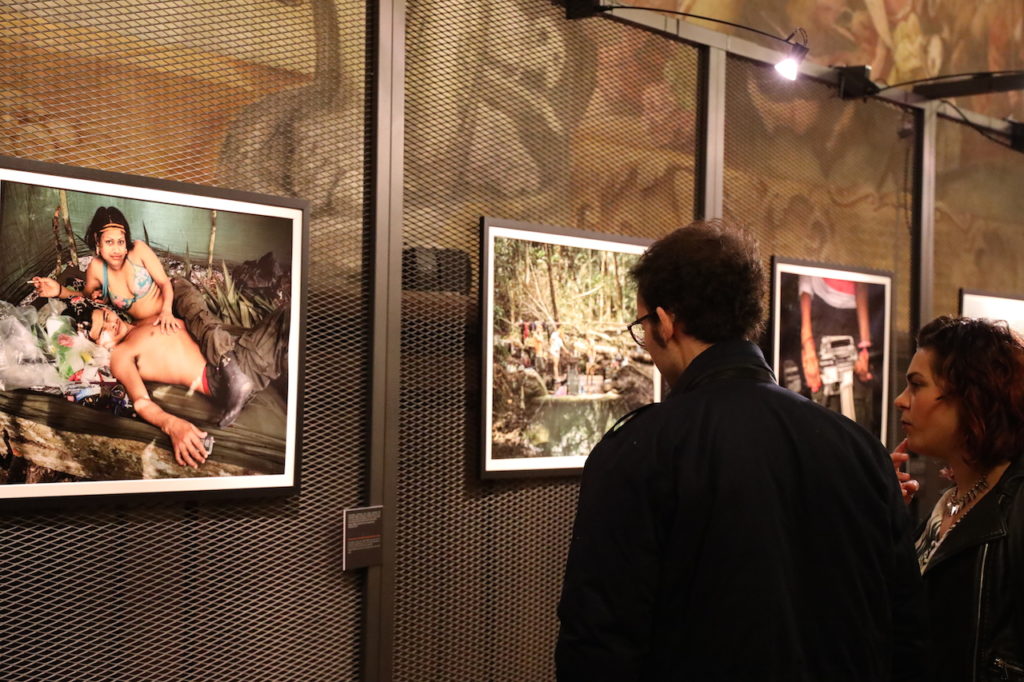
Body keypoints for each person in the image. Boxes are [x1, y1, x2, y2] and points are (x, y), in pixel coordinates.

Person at [556, 220, 927, 681]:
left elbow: (597, 642)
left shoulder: (639, 449)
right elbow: (906, 628)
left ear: (666, 323)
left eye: (643, 325)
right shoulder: (859, 449)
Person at [892, 316, 1024, 682]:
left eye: (917, 385)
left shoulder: (1015, 507)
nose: (900, 400)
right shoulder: (949, 502)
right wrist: (883, 519)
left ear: (972, 397)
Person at [67, 281, 289, 469]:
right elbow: (141, 402)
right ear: (95, 343)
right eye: (102, 330)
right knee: (295, 314)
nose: (111, 324)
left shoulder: (144, 319)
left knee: (178, 285)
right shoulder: (121, 354)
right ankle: (231, 367)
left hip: (236, 351)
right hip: (221, 375)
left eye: (106, 316)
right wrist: (172, 425)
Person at [31, 206, 180, 334]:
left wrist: (167, 312)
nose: (116, 250)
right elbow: (85, 296)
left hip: (173, 305)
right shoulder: (96, 268)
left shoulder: (138, 250)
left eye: (120, 242)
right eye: (109, 242)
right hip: (145, 326)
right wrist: (58, 290)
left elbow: (165, 283)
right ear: (98, 242)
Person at [798, 275, 877, 430]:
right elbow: (805, 285)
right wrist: (807, 344)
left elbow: (862, 285)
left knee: (859, 413)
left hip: (854, 322)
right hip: (820, 317)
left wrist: (864, 345)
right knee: (822, 413)